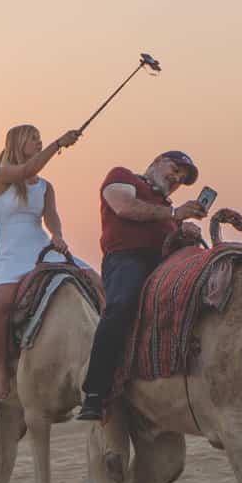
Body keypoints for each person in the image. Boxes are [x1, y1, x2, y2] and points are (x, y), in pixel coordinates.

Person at [77, 150, 206, 422]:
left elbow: (169, 230)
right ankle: (95, 392)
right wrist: (173, 213)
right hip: (127, 258)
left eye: (181, 178)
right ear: (157, 162)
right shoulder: (123, 177)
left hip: (165, 260)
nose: (176, 178)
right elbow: (123, 206)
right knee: (122, 305)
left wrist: (184, 230)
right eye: (175, 169)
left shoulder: (167, 207)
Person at [0, 124, 81, 400]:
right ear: (17, 143)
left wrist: (58, 235)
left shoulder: (45, 186)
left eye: (41, 138)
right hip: (11, 252)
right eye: (33, 139)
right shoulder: (3, 176)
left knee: (93, 280)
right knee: (1, 303)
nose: (39, 142)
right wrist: (58, 143)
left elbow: (50, 216)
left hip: (40, 245)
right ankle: (3, 370)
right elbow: (26, 171)